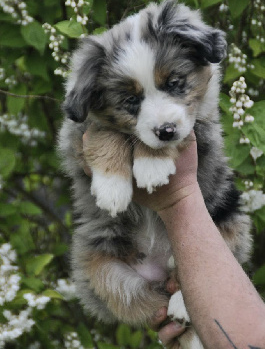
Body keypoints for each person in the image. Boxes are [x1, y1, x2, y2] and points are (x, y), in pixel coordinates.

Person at [83, 131, 265, 349]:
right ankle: (193, 328)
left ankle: (194, 325)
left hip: (207, 229)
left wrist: (177, 195)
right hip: (119, 252)